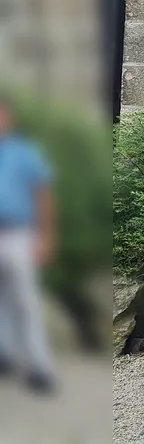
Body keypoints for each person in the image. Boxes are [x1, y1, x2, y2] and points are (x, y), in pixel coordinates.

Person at [0, 97, 54, 392]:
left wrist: (45, 238)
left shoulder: (24, 152)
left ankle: (39, 366)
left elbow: (43, 196)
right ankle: (5, 354)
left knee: (25, 301)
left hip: (19, 234)